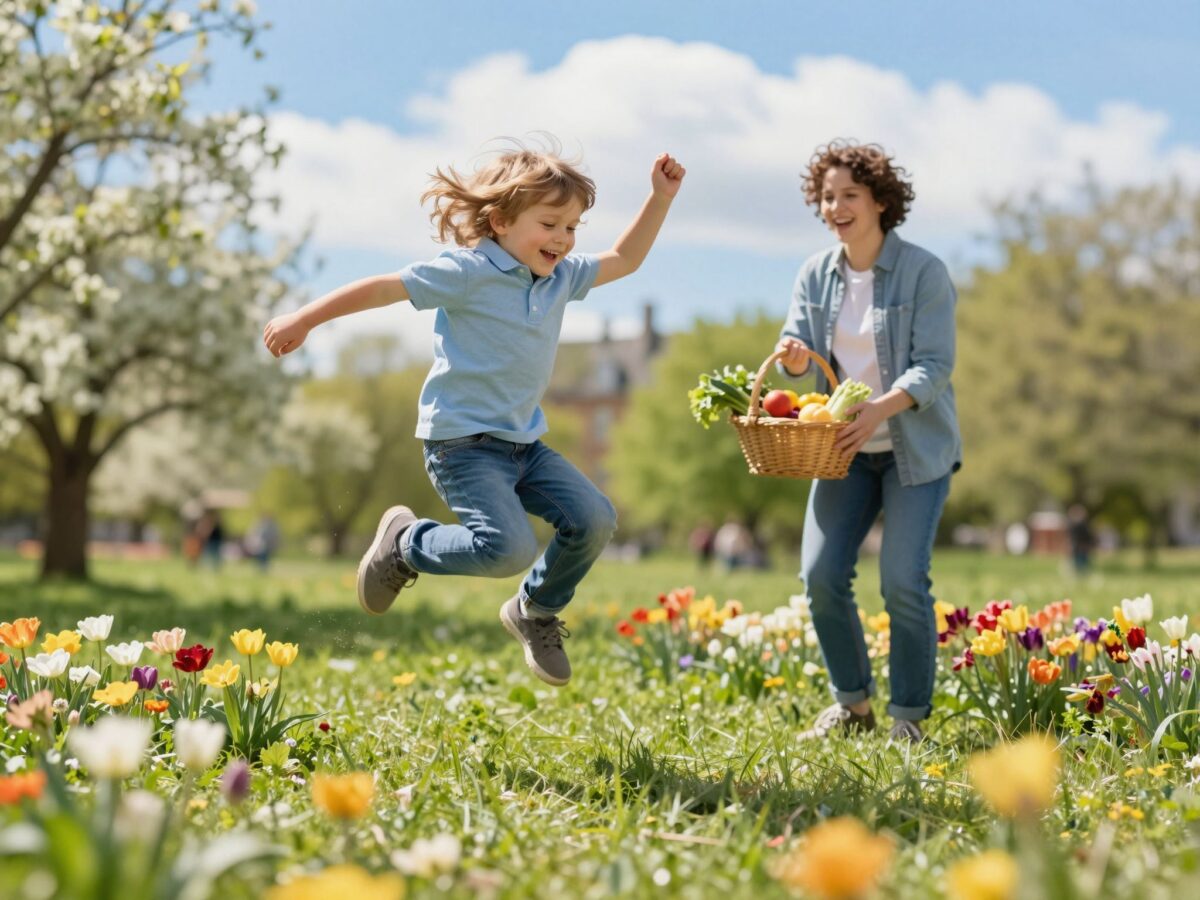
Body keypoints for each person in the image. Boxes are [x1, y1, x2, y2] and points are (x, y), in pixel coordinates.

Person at [263, 141, 685, 687]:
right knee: (506, 548)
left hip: (524, 445)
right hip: (462, 445)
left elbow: (624, 259)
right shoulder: (467, 271)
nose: (562, 238)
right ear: (500, 219)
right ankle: (407, 544)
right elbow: (382, 289)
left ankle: (535, 610)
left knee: (595, 518)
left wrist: (659, 198)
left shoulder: (560, 278)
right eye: (550, 223)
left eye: (573, 227)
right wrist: (305, 317)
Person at [775, 140, 961, 743]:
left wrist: (878, 406)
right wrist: (794, 358)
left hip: (914, 450)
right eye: (827, 197)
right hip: (842, 453)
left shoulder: (923, 271)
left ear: (880, 200)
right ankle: (853, 706)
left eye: (849, 195)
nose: (836, 207)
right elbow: (796, 359)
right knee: (821, 575)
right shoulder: (815, 274)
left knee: (903, 581)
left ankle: (908, 719)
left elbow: (934, 366)